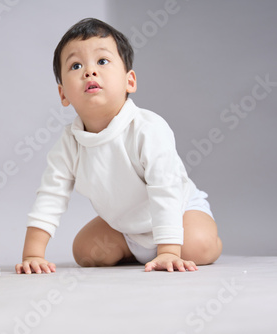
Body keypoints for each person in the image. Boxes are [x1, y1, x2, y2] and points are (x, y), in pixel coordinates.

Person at [15, 18, 222, 274]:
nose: (89, 72)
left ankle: (168, 248)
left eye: (102, 61)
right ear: (63, 95)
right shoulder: (68, 144)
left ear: (129, 82)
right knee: (85, 252)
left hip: (178, 213)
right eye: (76, 65)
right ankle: (137, 250)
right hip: (125, 226)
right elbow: (50, 195)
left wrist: (169, 249)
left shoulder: (147, 129)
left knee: (198, 246)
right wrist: (33, 254)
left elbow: (165, 189)